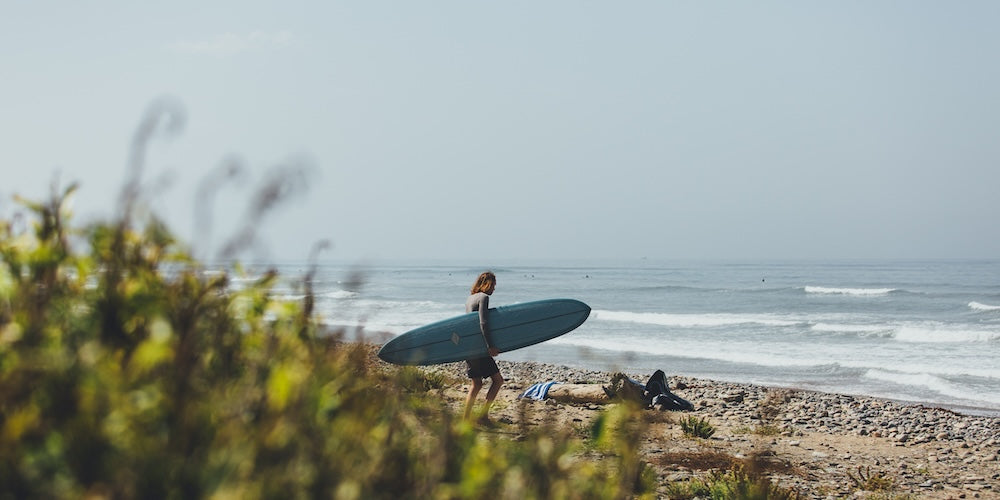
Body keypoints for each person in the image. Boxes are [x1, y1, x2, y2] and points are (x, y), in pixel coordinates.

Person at [463, 271, 504, 424]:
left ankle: (466, 419)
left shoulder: (469, 299)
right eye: (493, 285)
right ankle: (483, 416)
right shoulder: (483, 298)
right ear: (486, 284)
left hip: (468, 347)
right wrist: (490, 346)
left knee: (477, 384)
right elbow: (483, 323)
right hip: (480, 347)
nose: (494, 289)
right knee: (498, 380)